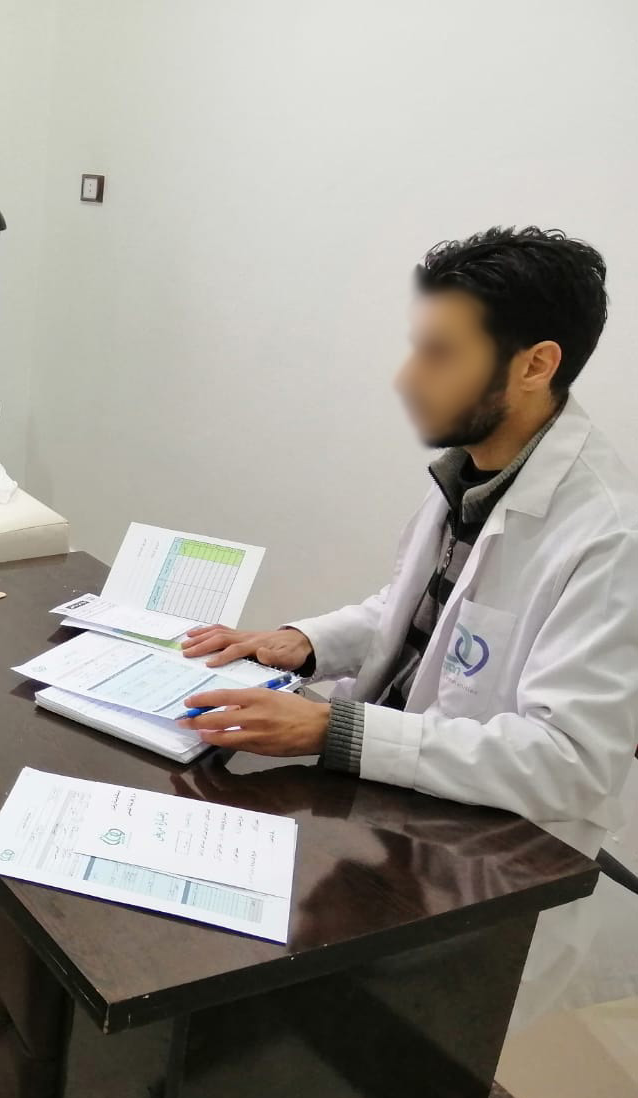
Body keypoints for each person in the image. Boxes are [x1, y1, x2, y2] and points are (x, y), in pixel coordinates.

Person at [178, 227, 638, 1022]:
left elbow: (569, 762)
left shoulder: (609, 536)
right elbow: (410, 610)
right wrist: (304, 642)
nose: (406, 377)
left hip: (488, 855)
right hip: (391, 803)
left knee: (344, 1023)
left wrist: (334, 730)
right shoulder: (473, 468)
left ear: (535, 364)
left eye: (439, 354)